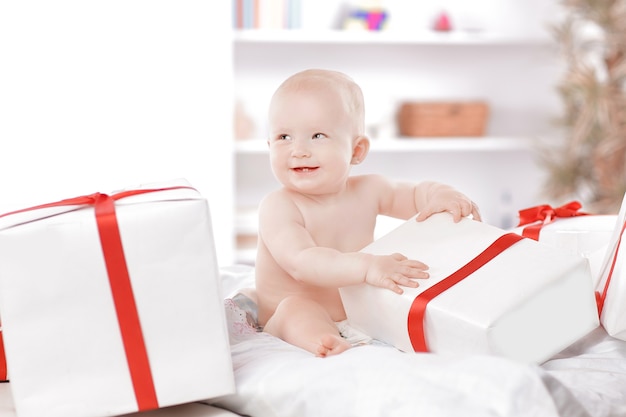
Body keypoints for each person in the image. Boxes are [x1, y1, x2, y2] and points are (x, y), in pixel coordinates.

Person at [255, 69, 481, 357]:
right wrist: (368, 267)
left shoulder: (369, 189)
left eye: (317, 135)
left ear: (356, 150)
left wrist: (442, 195)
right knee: (297, 311)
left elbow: (413, 195)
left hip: (356, 312)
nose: (298, 150)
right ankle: (323, 341)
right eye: (284, 136)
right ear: (269, 146)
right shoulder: (279, 206)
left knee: (407, 297)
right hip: (287, 309)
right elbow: (302, 263)